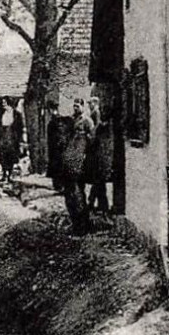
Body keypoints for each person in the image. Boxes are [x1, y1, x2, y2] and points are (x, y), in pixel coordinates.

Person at [59, 97, 96, 234]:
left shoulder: (87, 121)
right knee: (69, 195)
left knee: (78, 194)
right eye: (74, 106)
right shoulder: (70, 121)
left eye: (78, 106)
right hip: (69, 162)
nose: (75, 109)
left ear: (83, 106)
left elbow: (92, 142)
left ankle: (83, 226)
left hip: (80, 163)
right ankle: (74, 223)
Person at [87, 96, 113, 215]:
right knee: (99, 182)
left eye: (91, 103)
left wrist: (91, 137)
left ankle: (95, 204)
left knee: (98, 181)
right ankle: (100, 206)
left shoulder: (102, 125)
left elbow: (95, 135)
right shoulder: (102, 125)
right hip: (99, 156)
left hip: (100, 157)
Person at [0, 95, 25, 195]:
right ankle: (4, 174)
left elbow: (20, 128)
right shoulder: (0, 114)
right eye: (3, 103)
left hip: (13, 137)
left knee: (11, 156)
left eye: (5, 103)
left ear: (9, 103)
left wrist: (20, 140)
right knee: (3, 155)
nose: (3, 105)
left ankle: (10, 173)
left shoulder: (17, 114)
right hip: (3, 137)